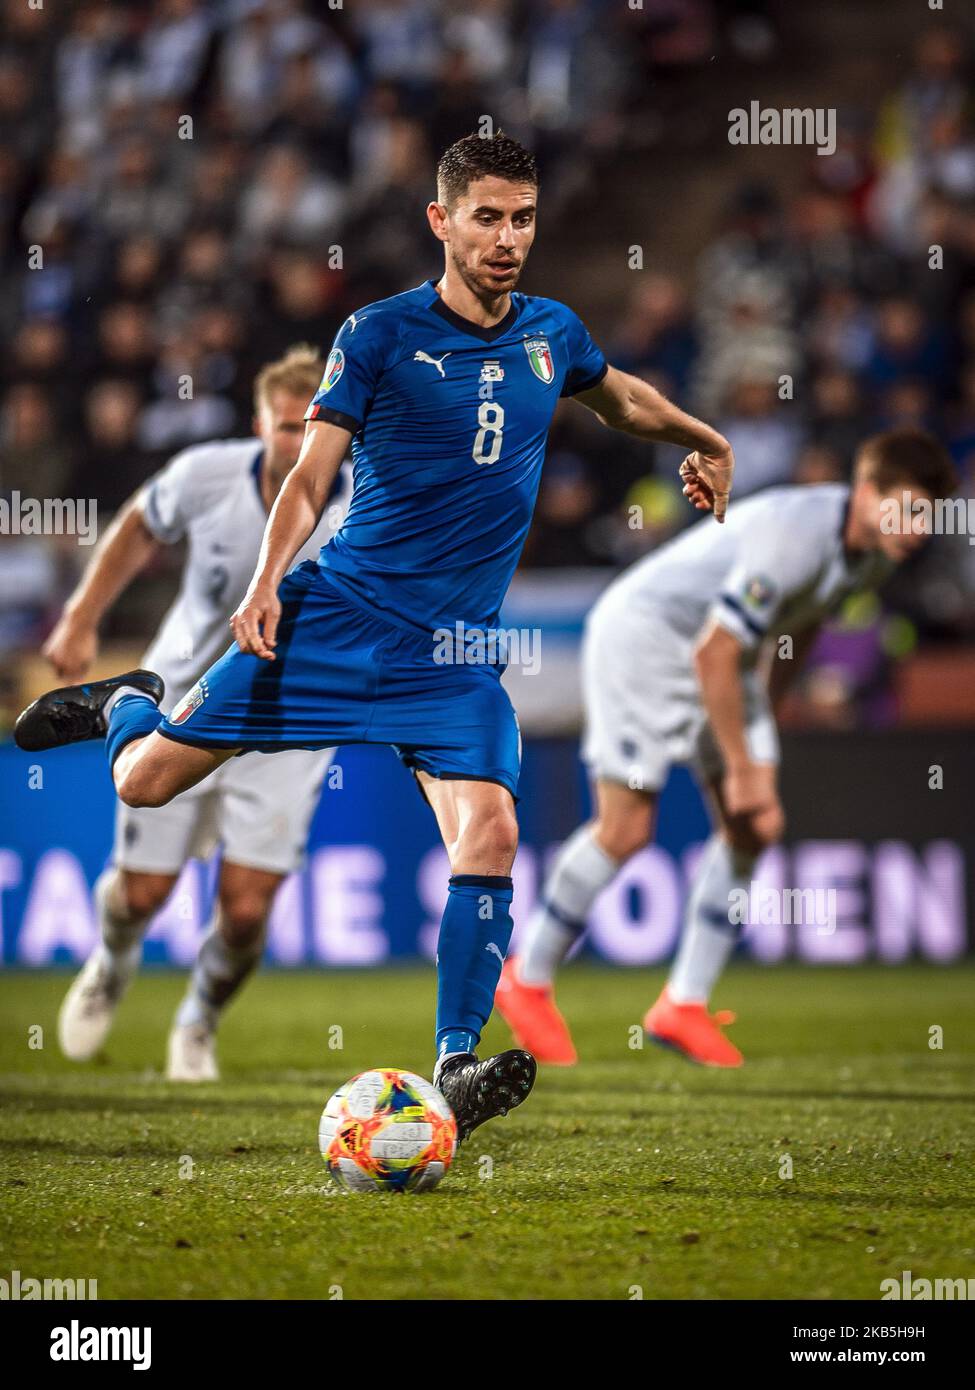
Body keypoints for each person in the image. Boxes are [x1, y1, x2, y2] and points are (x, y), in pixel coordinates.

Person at [16, 132, 734, 1139]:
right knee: (142, 781)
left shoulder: (553, 333)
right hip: (334, 619)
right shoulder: (380, 333)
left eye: (522, 218)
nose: (507, 237)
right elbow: (311, 477)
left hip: (452, 659)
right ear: (441, 221)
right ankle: (124, 700)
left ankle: (456, 1060)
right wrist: (265, 582)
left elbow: (619, 398)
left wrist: (703, 437)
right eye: (486, 216)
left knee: (491, 831)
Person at [496, 428, 957, 1067]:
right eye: (906, 509)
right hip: (647, 639)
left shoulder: (875, 553)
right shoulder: (798, 534)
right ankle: (528, 976)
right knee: (627, 829)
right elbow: (716, 647)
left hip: (722, 660)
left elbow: (804, 621)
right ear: (866, 490)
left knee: (753, 825)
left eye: (926, 517)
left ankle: (681, 1005)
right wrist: (743, 764)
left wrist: (762, 727)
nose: (915, 529)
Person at [43, 346, 349, 1081]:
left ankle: (198, 1021)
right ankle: (113, 962)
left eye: (314, 427)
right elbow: (137, 526)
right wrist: (82, 617)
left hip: (288, 726)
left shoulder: (361, 504)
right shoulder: (206, 474)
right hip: (185, 699)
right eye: (284, 427)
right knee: (143, 892)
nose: (298, 443)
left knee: (245, 911)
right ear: (257, 424)